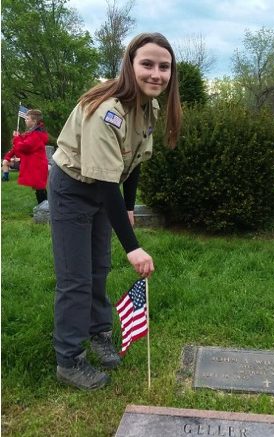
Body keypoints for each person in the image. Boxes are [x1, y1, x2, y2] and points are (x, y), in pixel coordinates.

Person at [48, 32, 182, 390]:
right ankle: (69, 359)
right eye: (147, 64)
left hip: (104, 192)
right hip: (73, 189)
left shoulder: (147, 106)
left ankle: (98, 333)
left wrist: (128, 206)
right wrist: (133, 246)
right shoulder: (106, 111)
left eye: (164, 66)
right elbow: (105, 183)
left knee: (99, 269)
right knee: (75, 277)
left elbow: (134, 159)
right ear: (130, 64)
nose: (156, 73)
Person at [2, 109, 48, 204]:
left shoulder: (37, 134)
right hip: (36, 164)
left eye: (27, 118)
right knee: (38, 187)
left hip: (37, 165)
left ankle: (44, 209)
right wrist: (19, 137)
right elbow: (25, 138)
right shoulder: (35, 132)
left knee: (40, 187)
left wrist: (16, 139)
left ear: (34, 121)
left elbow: (24, 147)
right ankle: (42, 208)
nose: (25, 120)